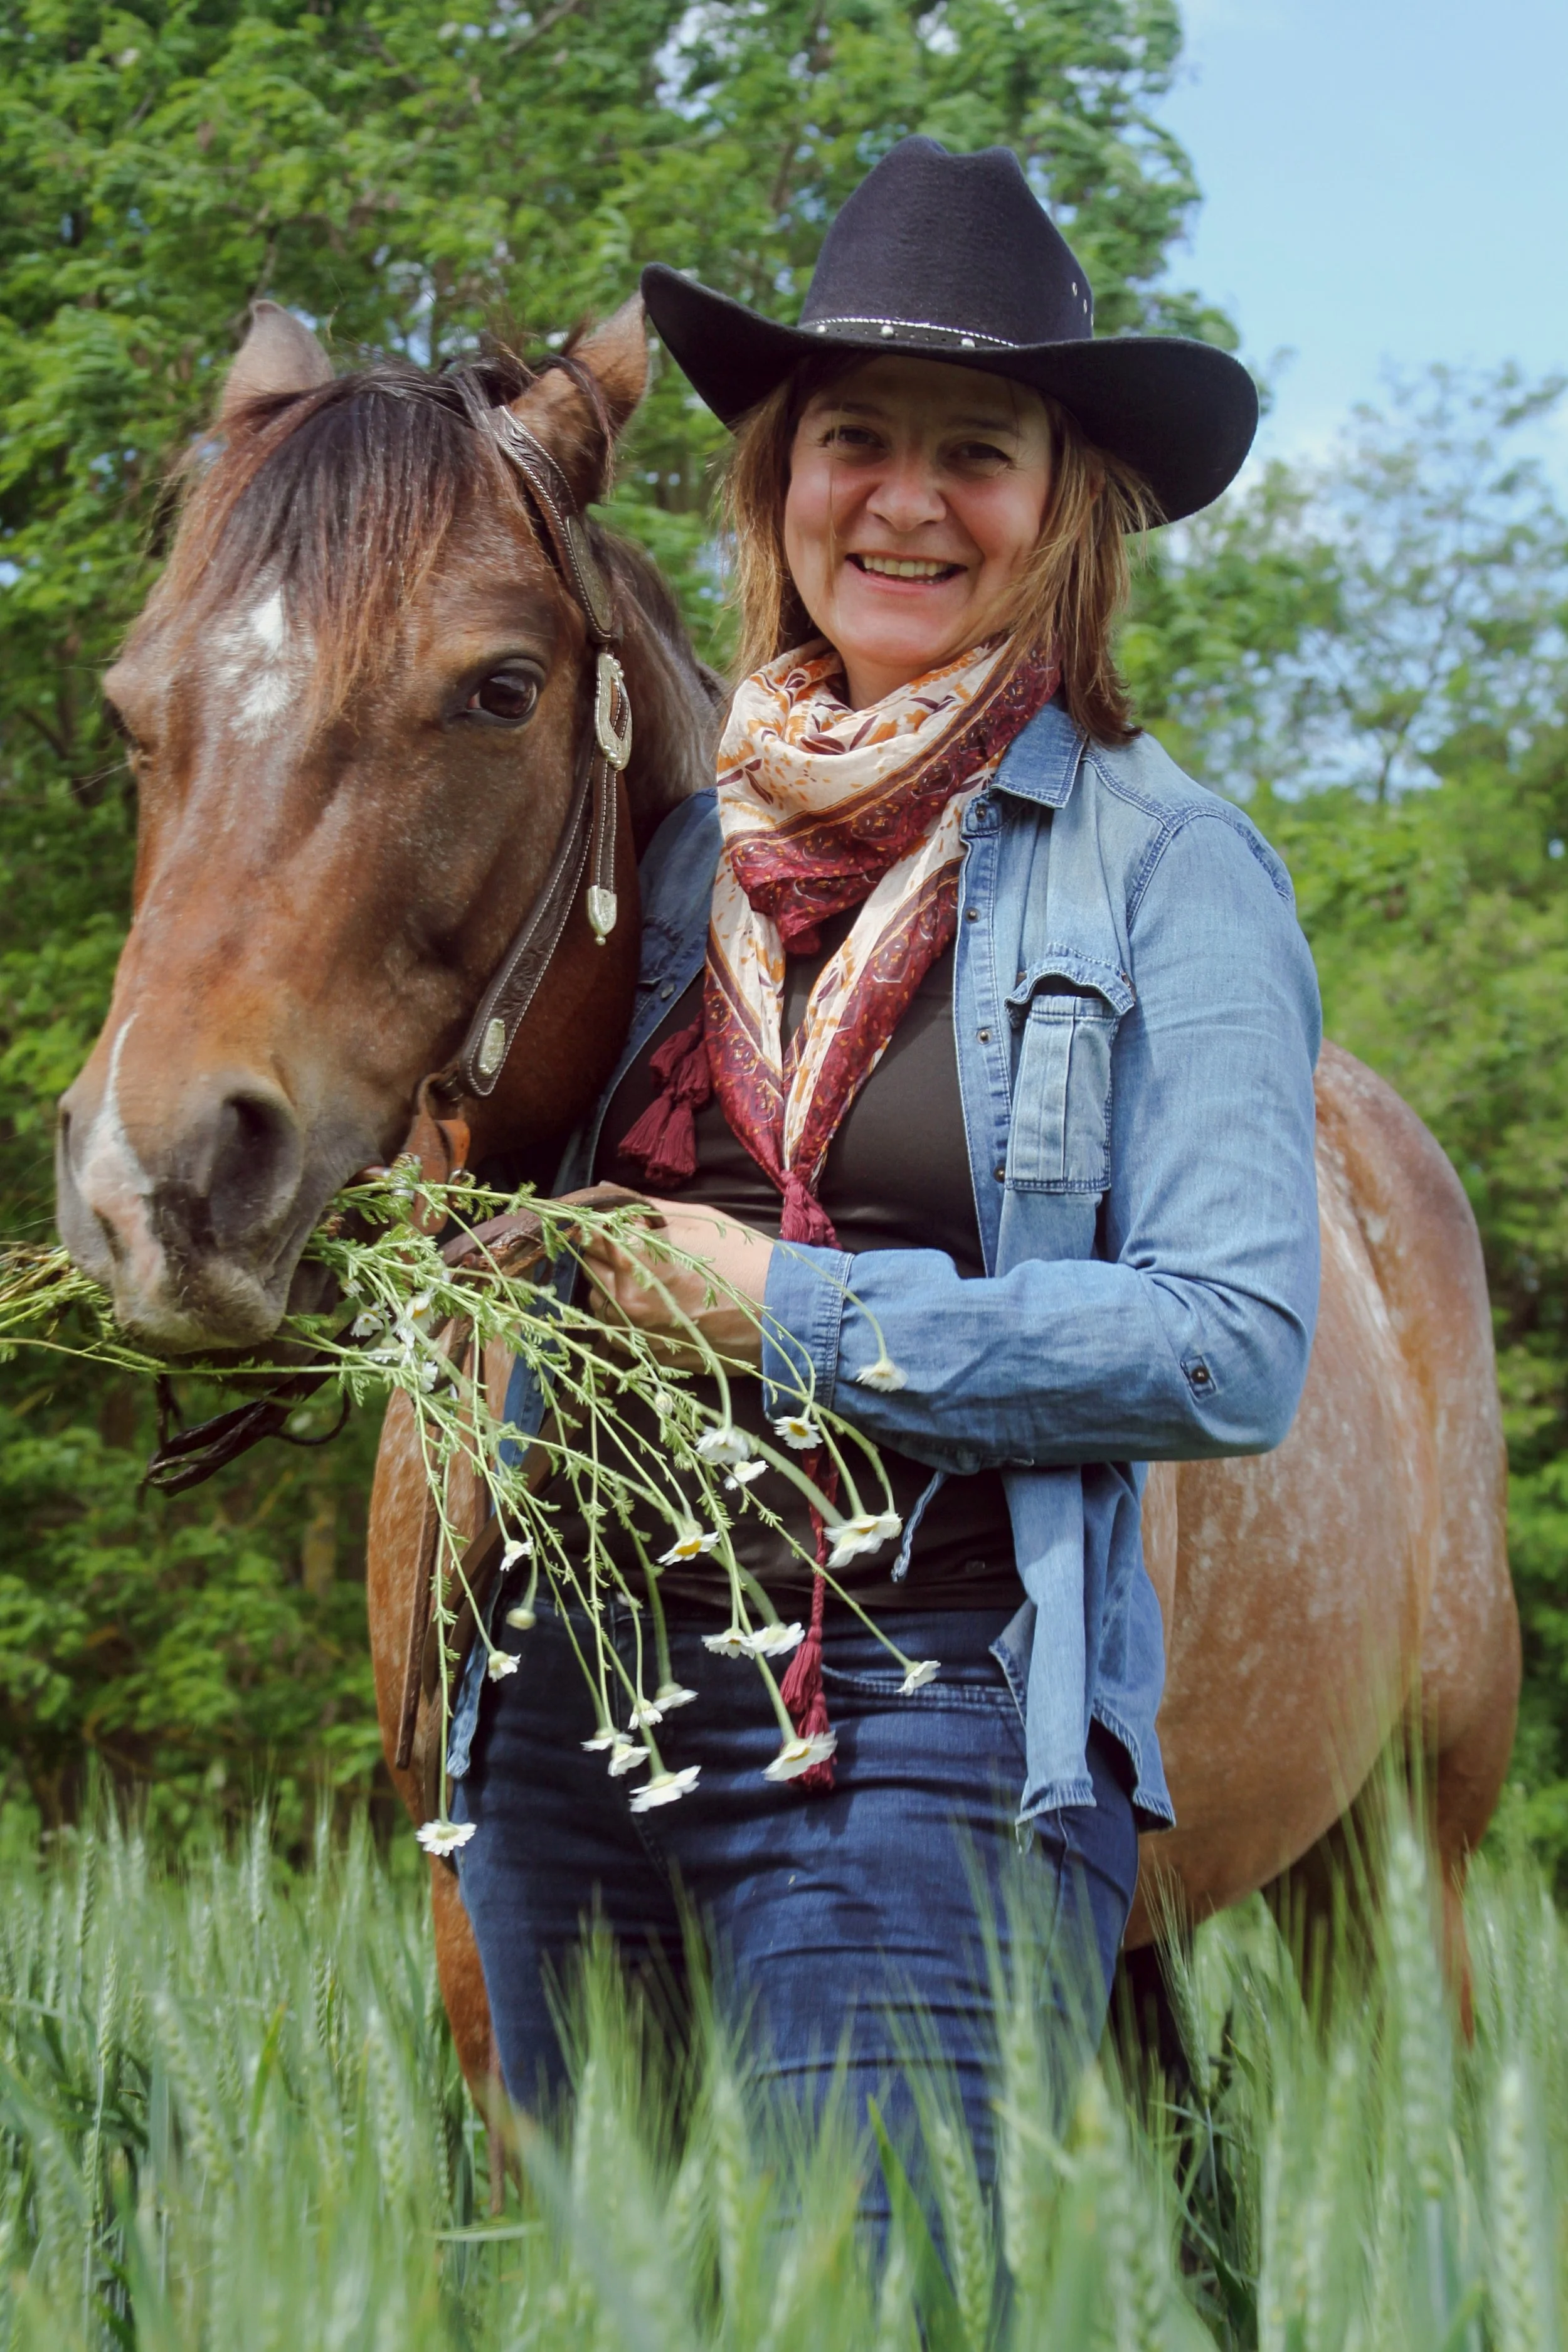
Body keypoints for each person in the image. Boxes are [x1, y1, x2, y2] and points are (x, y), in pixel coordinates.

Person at [448, 137, 1321, 2169]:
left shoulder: (1164, 868)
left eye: (977, 448)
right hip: (581, 1727)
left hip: (924, 1723)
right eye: (855, 437)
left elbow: (1228, 1343)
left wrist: (787, 1311)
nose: (907, 500)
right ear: (777, 481)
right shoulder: (673, 851)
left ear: (1065, 507)